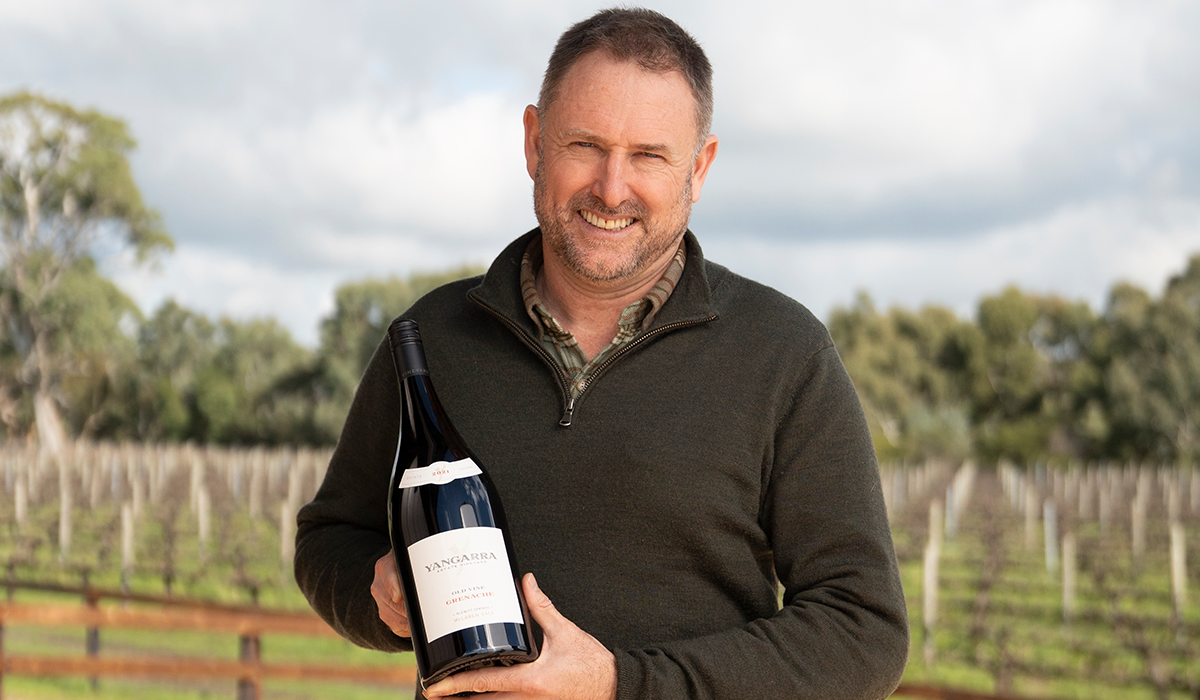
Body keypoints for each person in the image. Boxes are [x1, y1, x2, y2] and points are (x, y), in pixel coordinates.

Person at [295, 8, 908, 700]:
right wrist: (377, 593)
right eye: (585, 145)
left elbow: (865, 632)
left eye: (649, 155)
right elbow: (329, 541)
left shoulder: (785, 354)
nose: (612, 189)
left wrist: (623, 683)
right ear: (534, 143)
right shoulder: (429, 341)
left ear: (699, 168)